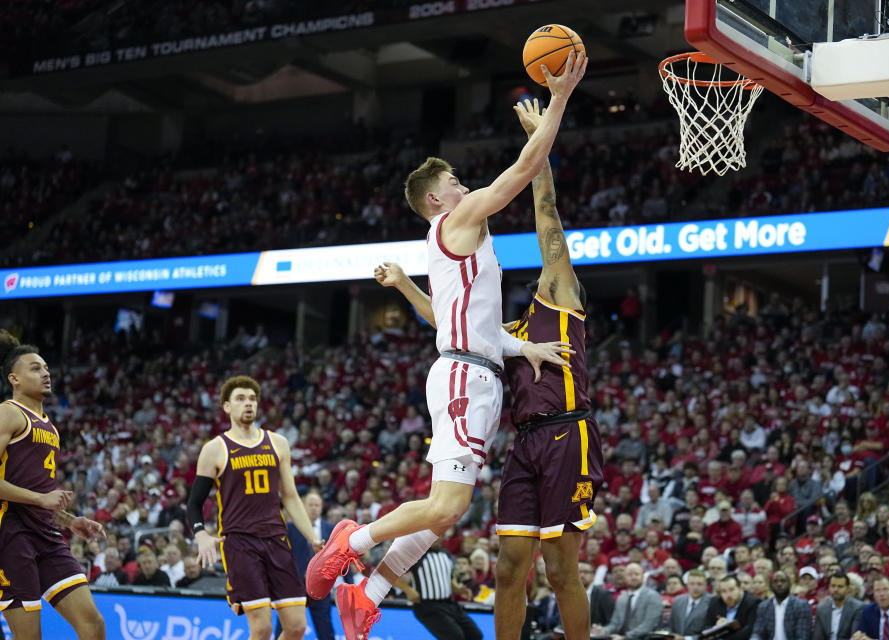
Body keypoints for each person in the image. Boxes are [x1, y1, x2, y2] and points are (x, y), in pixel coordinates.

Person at [311, 52, 589, 640]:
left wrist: (521, 351)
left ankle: (370, 593)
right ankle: (350, 542)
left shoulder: (461, 248)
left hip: (474, 370)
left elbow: (455, 321)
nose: (464, 186)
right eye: (455, 184)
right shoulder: (454, 225)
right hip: (466, 379)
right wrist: (560, 99)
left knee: (451, 509)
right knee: (442, 508)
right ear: (438, 201)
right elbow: (525, 170)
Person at [188, 375, 320, 640]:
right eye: (240, 399)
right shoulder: (215, 449)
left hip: (277, 539)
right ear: (227, 407)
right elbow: (194, 503)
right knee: (261, 629)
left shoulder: (277, 443)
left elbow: (291, 498)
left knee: (296, 628)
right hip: (240, 543)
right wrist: (201, 534)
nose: (248, 404)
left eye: (252, 399)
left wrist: (313, 538)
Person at [0, 330, 106, 640]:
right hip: (10, 534)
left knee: (93, 624)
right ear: (14, 379)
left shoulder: (49, 426)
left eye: (46, 367)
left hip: (46, 533)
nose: (45, 373)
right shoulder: (8, 413)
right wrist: (42, 499)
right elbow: (38, 496)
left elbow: (38, 494)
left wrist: (71, 521)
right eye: (35, 368)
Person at [275, 492, 337, 640]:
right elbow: (280, 555)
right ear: (303, 506)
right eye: (311, 505)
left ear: (322, 507)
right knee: (284, 627)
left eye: (317, 505)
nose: (314, 508)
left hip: (321, 587)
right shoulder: (290, 527)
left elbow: (339, 556)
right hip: (294, 585)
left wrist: (348, 584)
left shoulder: (331, 529)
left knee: (325, 630)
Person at [395, 538, 482, 640]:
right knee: (454, 637)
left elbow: (448, 579)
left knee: (475, 635)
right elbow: (391, 574)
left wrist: (458, 589)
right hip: (427, 606)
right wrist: (408, 590)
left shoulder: (446, 554)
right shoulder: (416, 554)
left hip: (449, 604)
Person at [592, 563, 662, 640]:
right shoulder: (622, 597)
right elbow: (615, 623)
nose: (633, 577)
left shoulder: (653, 596)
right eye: (629, 574)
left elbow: (648, 625)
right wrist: (603, 630)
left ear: (642, 576)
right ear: (624, 577)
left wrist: (625, 637)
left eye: (637, 574)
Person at [750, 570, 812, 640]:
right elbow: (758, 633)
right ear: (771, 586)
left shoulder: (801, 606)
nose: (779, 584)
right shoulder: (763, 606)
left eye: (783, 581)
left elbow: (802, 636)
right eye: (775, 581)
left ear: (789, 584)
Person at [705, 574, 761, 640]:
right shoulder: (715, 602)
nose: (728, 595)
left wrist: (725, 629)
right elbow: (706, 628)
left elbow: (748, 632)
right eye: (723, 591)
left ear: (740, 589)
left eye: (731, 590)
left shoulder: (753, 603)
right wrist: (716, 628)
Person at [814, 571, 864, 640]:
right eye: (833, 586)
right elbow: (817, 637)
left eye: (840, 586)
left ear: (847, 588)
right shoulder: (821, 608)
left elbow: (855, 637)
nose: (836, 589)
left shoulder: (857, 607)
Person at [668, 569, 714, 640]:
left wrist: (686, 639)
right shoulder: (678, 600)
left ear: (705, 585)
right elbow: (670, 626)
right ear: (687, 585)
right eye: (692, 584)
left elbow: (710, 631)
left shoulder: (712, 602)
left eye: (699, 584)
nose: (695, 587)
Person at [579, 561, 614, 627]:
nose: (582, 575)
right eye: (579, 572)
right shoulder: (569, 595)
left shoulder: (604, 595)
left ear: (593, 576)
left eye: (585, 572)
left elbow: (610, 622)